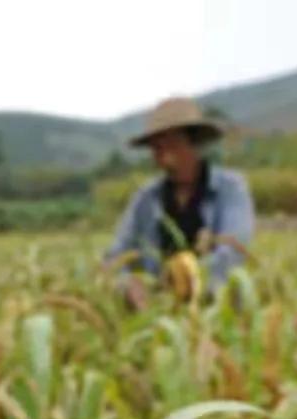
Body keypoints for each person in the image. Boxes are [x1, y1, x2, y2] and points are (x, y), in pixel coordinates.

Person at [104, 96, 254, 308]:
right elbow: (116, 254)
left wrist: (184, 280)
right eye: (158, 150)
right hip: (157, 312)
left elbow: (233, 251)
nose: (165, 159)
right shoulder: (145, 198)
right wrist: (128, 283)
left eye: (173, 146)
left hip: (216, 309)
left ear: (194, 144)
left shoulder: (230, 188)